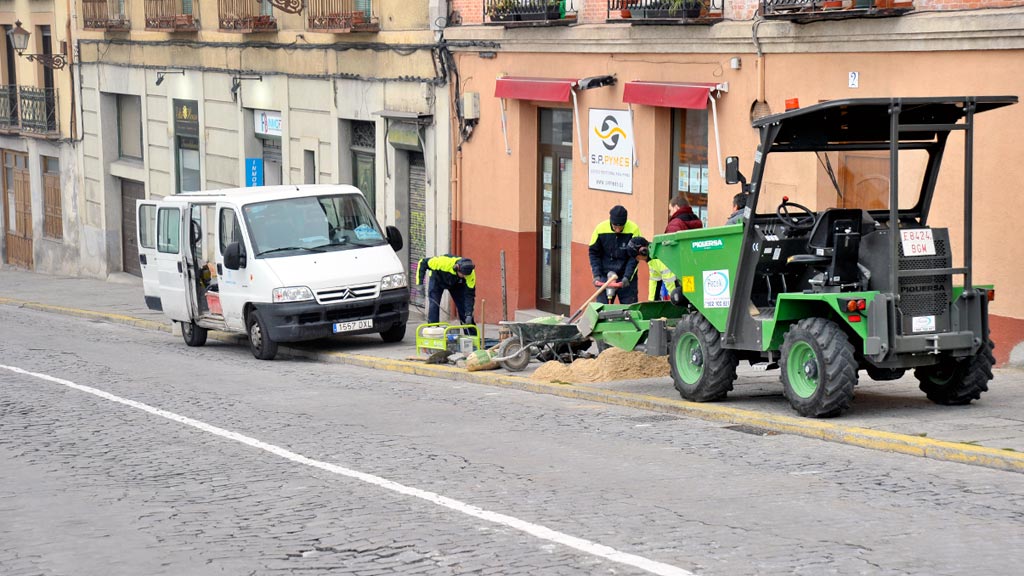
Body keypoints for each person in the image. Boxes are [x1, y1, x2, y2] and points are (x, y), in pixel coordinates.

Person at [589, 205, 642, 304]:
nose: (617, 230)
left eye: (621, 227)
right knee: (602, 309)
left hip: (625, 275)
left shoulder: (634, 229)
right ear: (611, 221)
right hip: (605, 276)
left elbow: (634, 257)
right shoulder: (600, 229)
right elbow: (594, 254)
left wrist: (627, 277)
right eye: (615, 227)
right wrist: (597, 275)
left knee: (629, 309)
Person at [416, 255, 477, 335]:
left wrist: (469, 313)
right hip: (437, 279)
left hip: (456, 283)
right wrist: (420, 285)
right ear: (457, 268)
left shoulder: (470, 274)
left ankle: (471, 335)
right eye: (463, 275)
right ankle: (433, 332)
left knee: (463, 308)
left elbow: (469, 295)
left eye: (466, 275)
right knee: (434, 305)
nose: (465, 277)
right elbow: (422, 262)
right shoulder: (442, 262)